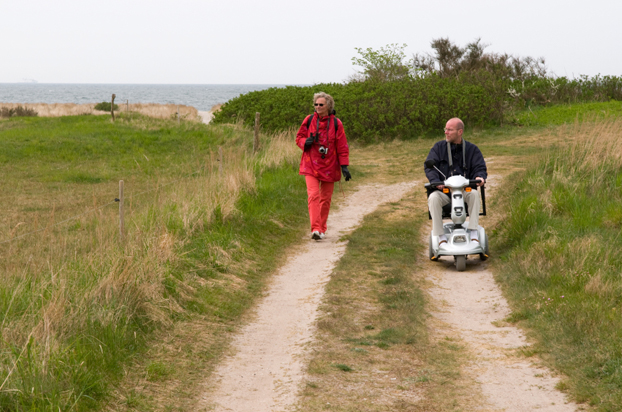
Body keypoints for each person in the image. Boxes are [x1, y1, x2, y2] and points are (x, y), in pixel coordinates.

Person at [296, 92, 351, 240]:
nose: (318, 107)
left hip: (330, 166)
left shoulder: (336, 123)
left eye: (321, 104)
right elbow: (299, 137)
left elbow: (342, 146)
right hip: (310, 165)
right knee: (313, 195)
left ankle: (322, 228)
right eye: (316, 104)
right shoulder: (309, 119)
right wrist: (304, 142)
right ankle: (315, 229)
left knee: (325, 199)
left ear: (329, 106)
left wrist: (344, 166)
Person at [425, 117, 487, 246]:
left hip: (465, 191)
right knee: (433, 198)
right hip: (445, 192)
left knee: (474, 194)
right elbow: (429, 167)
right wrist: (436, 181)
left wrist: (480, 177)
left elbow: (480, 167)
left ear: (460, 132)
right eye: (445, 129)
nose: (446, 132)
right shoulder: (438, 148)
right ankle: (440, 235)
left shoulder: (472, 149)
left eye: (450, 130)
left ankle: (473, 231)